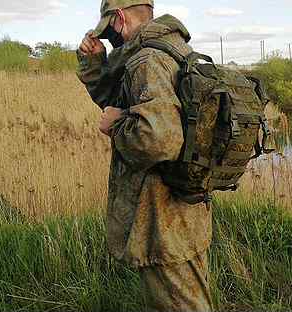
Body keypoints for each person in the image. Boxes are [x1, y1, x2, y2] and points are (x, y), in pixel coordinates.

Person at [76, 1, 213, 311]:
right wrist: (96, 65)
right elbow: (127, 102)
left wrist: (116, 126)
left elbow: (159, 140)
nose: (111, 39)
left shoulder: (147, 60)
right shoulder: (173, 49)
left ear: (119, 19)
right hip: (185, 204)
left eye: (109, 31)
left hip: (161, 218)